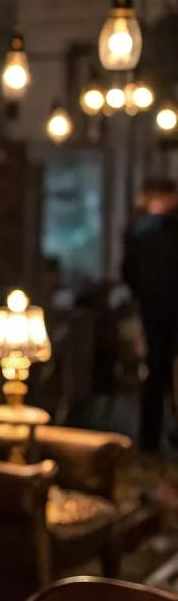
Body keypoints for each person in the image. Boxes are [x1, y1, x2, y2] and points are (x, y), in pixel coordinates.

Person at [122, 177, 178, 451]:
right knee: (157, 373)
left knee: (158, 372)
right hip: (155, 309)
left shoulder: (142, 229)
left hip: (156, 308)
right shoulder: (141, 229)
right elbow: (129, 270)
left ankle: (152, 439)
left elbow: (128, 270)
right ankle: (151, 439)